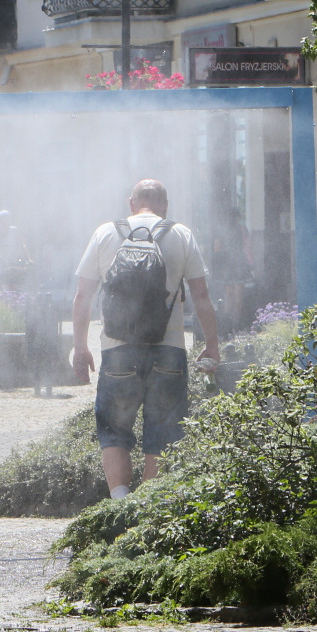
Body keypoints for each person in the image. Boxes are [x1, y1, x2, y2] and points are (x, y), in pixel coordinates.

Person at [72, 179, 219, 498]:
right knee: (163, 435)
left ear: (131, 203)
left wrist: (80, 347)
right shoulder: (181, 234)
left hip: (117, 350)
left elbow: (82, 296)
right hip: (168, 351)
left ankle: (121, 506)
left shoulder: (105, 233)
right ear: (165, 205)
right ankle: (147, 514)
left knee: (113, 431)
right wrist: (212, 346)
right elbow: (202, 296)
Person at [0, 210, 30, 293]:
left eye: (6, 220)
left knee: (10, 288)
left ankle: (11, 303)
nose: (4, 223)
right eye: (2, 220)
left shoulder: (14, 231)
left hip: (10, 264)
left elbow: (22, 245)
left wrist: (28, 259)